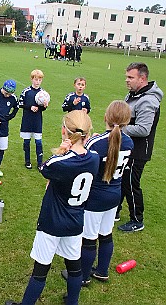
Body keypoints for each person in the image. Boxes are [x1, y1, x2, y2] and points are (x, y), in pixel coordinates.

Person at [5, 110, 99, 305]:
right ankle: (72, 301)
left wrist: (62, 150)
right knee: (74, 266)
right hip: (75, 220)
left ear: (64, 131)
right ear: (88, 135)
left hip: (52, 222)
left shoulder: (62, 161)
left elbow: (45, 167)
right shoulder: (94, 158)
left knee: (41, 269)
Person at [62, 101, 133, 287]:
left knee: (89, 238)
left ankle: (83, 276)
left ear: (106, 118)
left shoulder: (97, 142)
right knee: (106, 234)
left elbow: (83, 163)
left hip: (96, 196)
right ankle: (102, 271)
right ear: (127, 121)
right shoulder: (129, 142)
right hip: (114, 194)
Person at [118, 62, 163, 232]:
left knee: (131, 183)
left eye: (131, 77)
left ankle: (137, 219)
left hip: (138, 151)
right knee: (122, 179)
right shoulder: (133, 94)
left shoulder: (148, 100)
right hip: (127, 148)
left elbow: (144, 129)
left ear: (142, 78)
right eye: (126, 77)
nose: (127, 80)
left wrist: (119, 128)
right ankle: (116, 210)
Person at [19, 69, 48, 169]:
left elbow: (43, 108)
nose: (37, 82)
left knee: (38, 142)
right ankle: (27, 161)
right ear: (32, 79)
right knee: (26, 142)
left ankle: (40, 163)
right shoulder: (26, 91)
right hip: (27, 120)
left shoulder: (43, 93)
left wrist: (43, 106)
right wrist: (30, 107)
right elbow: (20, 104)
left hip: (37, 121)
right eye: (36, 79)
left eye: (39, 80)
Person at [0, 80, 19, 177]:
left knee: (2, 147)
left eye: (10, 94)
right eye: (6, 93)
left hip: (4, 126)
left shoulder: (13, 98)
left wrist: (9, 117)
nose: (7, 95)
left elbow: (16, 108)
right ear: (3, 88)